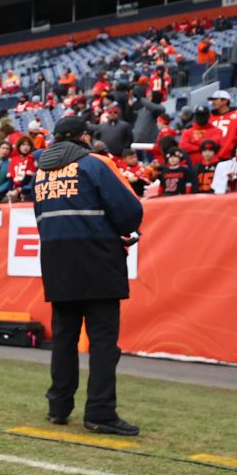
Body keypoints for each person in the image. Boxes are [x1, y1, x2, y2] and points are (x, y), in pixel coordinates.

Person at [33, 116, 143, 436]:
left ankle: (58, 407)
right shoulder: (96, 163)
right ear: (84, 136)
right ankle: (100, 413)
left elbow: (41, 216)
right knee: (103, 341)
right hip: (97, 258)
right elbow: (130, 211)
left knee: (64, 338)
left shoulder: (41, 171)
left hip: (56, 260)